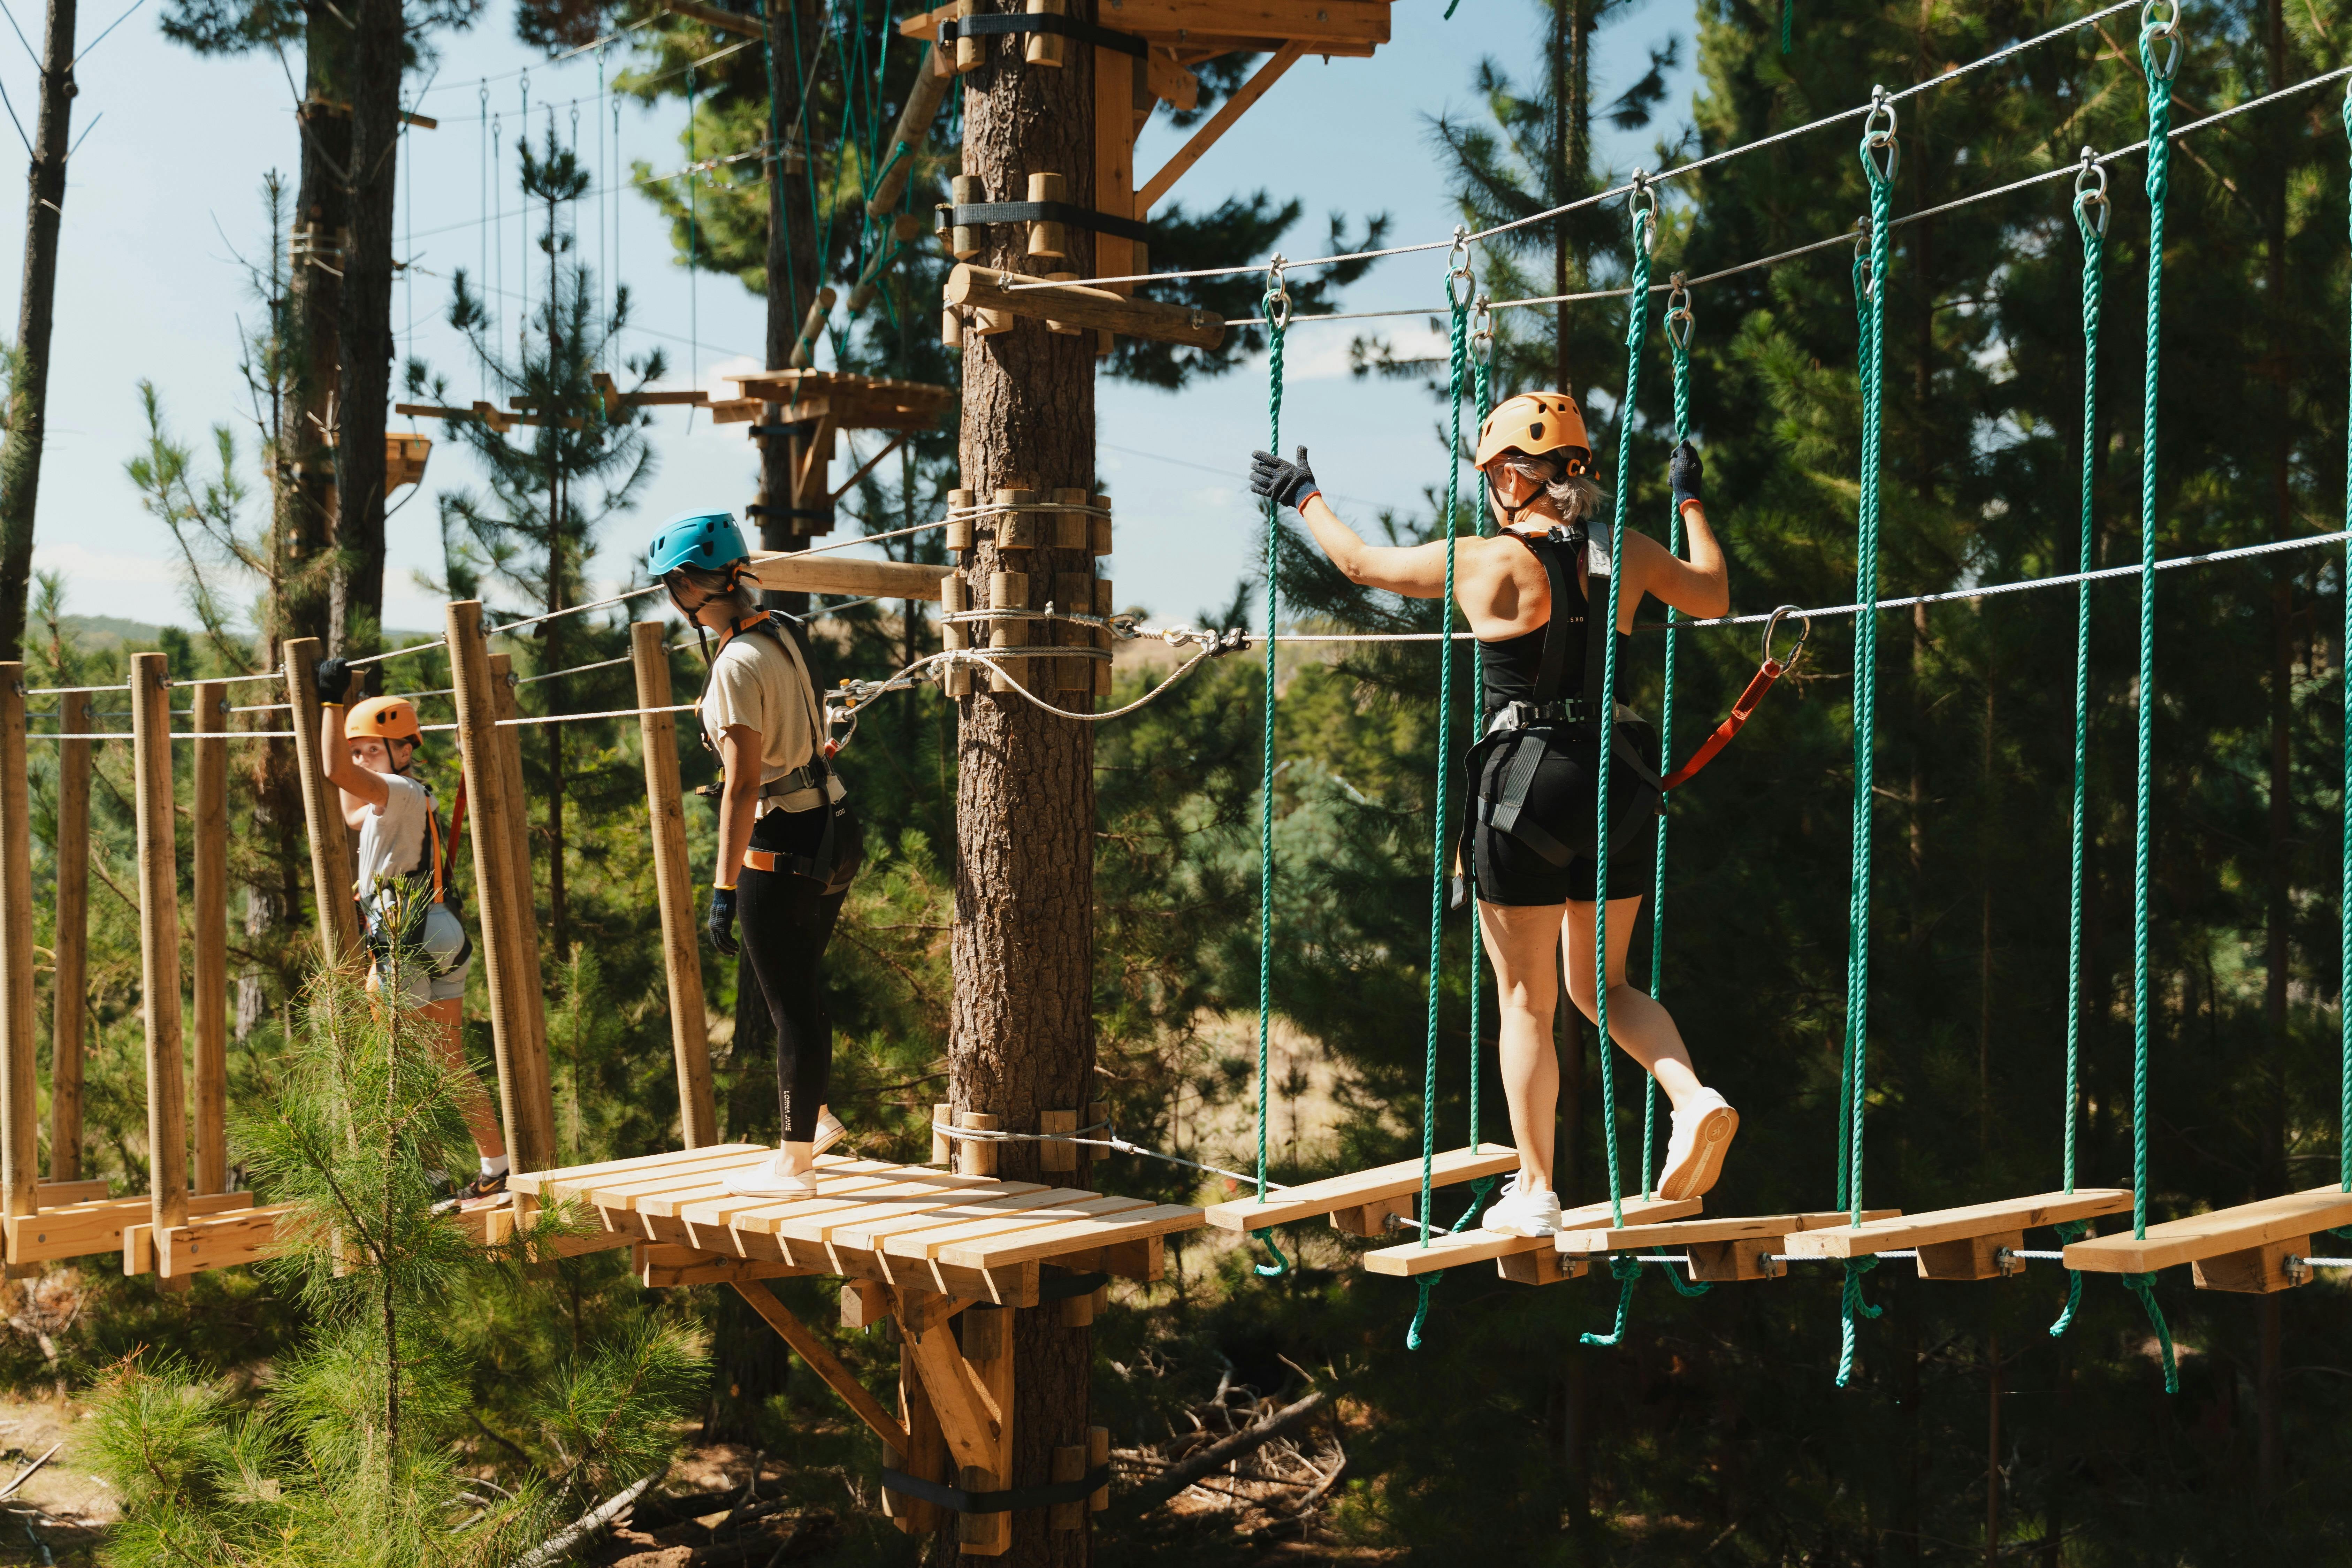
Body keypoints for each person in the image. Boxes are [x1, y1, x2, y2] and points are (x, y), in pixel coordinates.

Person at [1250, 391, 1738, 1237]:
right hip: (1616, 781)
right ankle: (1691, 1096)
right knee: (1607, 986)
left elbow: (1360, 564)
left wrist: (1302, 497)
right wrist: (1690, 500)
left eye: (1491, 477)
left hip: (1527, 785)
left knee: (1526, 1003)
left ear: (1514, 475)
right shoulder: (1623, 550)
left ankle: (1537, 1189)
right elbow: (1714, 597)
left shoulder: (1479, 561)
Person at [646, 511, 861, 1198]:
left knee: (789, 1004)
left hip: (782, 840)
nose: (669, 600)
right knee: (801, 987)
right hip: (832, 823)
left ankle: (794, 1165)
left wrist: (723, 888)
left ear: (689, 587)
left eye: (669, 589)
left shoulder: (736, 661)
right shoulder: (777, 633)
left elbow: (740, 786)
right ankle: (815, 1121)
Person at [312, 665, 510, 1209]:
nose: (358, 763)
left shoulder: (395, 790)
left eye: (369, 751)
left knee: (398, 1062)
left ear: (403, 751)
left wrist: (330, 702)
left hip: (407, 936)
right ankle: (496, 1166)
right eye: (356, 753)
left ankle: (429, 1181)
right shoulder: (402, 796)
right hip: (441, 928)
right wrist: (350, 752)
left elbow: (331, 771)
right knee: (447, 1060)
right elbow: (350, 805)